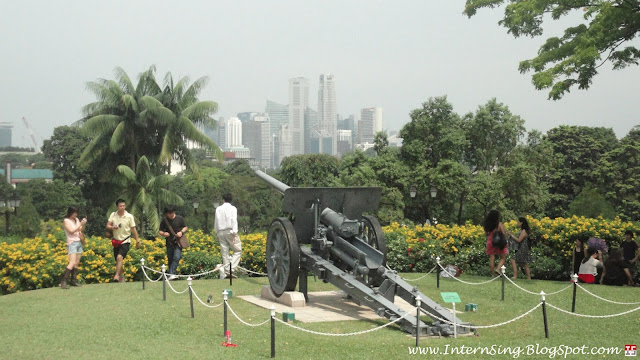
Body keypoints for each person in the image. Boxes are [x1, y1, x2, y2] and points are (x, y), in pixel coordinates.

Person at [106, 199, 141, 282]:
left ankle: (116, 275)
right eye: (120, 206)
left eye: (123, 206)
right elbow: (107, 225)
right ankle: (121, 277)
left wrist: (137, 239)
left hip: (126, 240)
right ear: (117, 207)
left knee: (119, 257)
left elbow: (133, 228)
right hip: (116, 240)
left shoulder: (129, 216)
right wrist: (112, 227)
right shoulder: (113, 215)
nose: (122, 207)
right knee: (118, 260)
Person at [214, 193, 242, 279]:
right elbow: (234, 220)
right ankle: (231, 268)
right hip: (230, 230)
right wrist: (235, 233)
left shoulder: (218, 209)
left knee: (224, 252)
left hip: (221, 231)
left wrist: (216, 232)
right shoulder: (233, 208)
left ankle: (227, 270)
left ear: (223, 199)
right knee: (238, 250)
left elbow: (216, 221)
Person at [59, 206, 87, 289]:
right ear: (70, 212)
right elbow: (71, 231)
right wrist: (80, 225)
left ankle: (73, 280)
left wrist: (83, 224)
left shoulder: (76, 220)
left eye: (76, 212)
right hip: (72, 243)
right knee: (72, 262)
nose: (75, 214)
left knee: (76, 263)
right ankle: (63, 281)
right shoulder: (66, 221)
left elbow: (80, 230)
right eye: (74, 212)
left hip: (79, 242)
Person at [158, 206, 188, 281]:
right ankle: (171, 275)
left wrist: (181, 232)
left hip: (178, 242)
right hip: (169, 242)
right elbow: (160, 231)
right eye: (169, 213)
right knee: (170, 258)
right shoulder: (165, 220)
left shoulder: (179, 218)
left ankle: (171, 274)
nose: (171, 214)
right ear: (166, 214)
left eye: (172, 212)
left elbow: (185, 227)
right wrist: (164, 234)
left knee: (177, 257)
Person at [484, 209, 508, 277]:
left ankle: (492, 274)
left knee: (492, 257)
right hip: (499, 242)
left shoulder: (487, 224)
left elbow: (486, 234)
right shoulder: (499, 224)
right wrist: (506, 241)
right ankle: (498, 269)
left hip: (491, 241)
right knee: (503, 257)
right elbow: (503, 233)